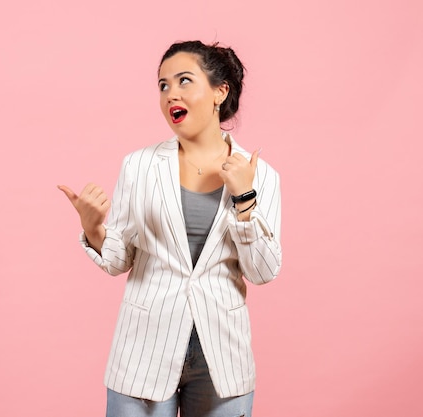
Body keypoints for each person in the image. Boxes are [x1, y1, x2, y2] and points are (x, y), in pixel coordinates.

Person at [58, 40, 282, 417]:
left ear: (219, 92)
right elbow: (120, 259)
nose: (170, 94)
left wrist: (245, 198)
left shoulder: (260, 174)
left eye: (183, 81)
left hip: (221, 356)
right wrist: (94, 228)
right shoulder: (139, 166)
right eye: (163, 85)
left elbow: (262, 271)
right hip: (144, 349)